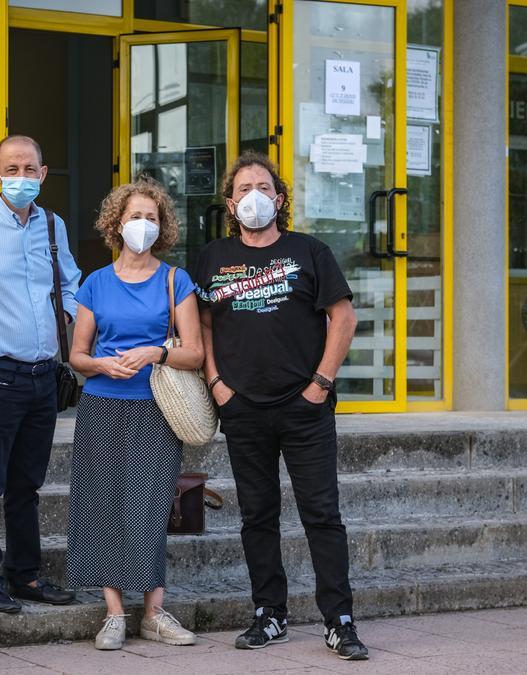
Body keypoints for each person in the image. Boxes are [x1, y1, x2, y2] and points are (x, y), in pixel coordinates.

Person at [191, 151, 367, 660]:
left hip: (304, 407)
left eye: (263, 187)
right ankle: (270, 614)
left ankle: (340, 621)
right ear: (229, 202)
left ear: (280, 198)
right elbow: (201, 325)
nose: (254, 196)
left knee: (322, 514)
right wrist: (217, 383)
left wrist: (321, 383)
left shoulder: (309, 251)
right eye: (243, 188)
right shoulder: (212, 257)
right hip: (242, 407)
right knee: (258, 517)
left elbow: (344, 318)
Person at [66, 180, 202, 651]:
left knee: (148, 509)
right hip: (102, 405)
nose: (142, 225)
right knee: (102, 507)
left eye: (151, 217)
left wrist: (154, 353)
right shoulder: (95, 283)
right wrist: (101, 363)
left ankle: (154, 613)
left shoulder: (174, 280)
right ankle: (114, 614)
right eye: (134, 217)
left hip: (156, 408)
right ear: (116, 224)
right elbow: (76, 355)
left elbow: (196, 353)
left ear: (161, 226)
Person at [0, 135, 80, 614]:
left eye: (30, 169)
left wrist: (65, 317)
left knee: (28, 483)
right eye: (12, 168)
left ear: (43, 174)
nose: (20, 177)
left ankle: (25, 574)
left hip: (44, 375)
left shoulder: (52, 224)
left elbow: (70, 281)